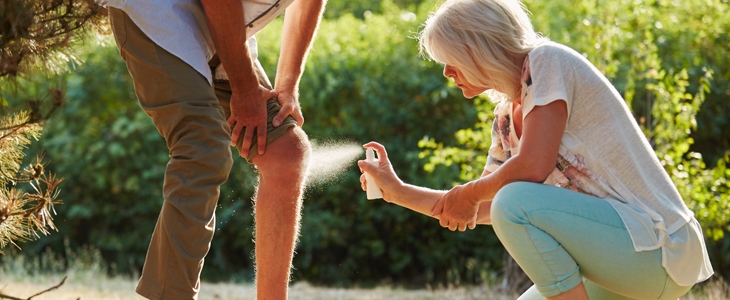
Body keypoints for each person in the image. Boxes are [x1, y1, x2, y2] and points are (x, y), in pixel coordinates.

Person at [357, 0, 713, 299]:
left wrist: (468, 195)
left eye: (451, 58)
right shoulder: (504, 119)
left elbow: (531, 169)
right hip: (620, 259)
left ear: (478, 47)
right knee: (509, 202)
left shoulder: (546, 61)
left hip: (660, 248)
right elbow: (481, 208)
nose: (447, 72)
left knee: (515, 200)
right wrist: (397, 191)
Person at [103, 0, 325, 298]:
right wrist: (245, 90)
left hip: (222, 25)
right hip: (160, 11)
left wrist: (287, 86)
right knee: (203, 149)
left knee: (288, 154)